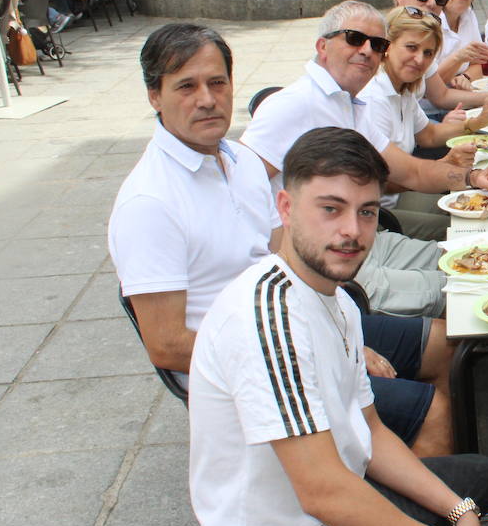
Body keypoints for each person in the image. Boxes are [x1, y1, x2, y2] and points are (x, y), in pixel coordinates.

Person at [188, 126, 488, 526]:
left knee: (478, 477)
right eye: (330, 208)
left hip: (334, 508)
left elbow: (372, 430)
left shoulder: (334, 298)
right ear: (286, 207)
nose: (352, 231)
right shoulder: (268, 319)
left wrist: (459, 511)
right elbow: (324, 493)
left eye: (365, 211)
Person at [109, 24, 459, 454]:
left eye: (217, 82)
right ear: (154, 95)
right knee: (432, 411)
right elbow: (167, 346)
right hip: (255, 368)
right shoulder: (150, 201)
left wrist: (342, 331)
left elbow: (285, 259)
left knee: (445, 343)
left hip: (297, 328)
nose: (206, 99)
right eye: (186, 86)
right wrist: (324, 351)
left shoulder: (239, 161)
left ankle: (427, 479)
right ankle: (419, 509)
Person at [240, 1, 488, 305]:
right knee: (475, 289)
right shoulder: (294, 103)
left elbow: (412, 171)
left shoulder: (351, 105)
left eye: (377, 44)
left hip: (365, 242)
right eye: (354, 39)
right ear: (322, 46)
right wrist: (288, 266)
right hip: (325, 265)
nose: (367, 51)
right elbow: (238, 183)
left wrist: (475, 176)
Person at [362, 7, 488, 236]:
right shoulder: (373, 99)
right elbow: (381, 182)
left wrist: (477, 122)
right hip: (376, 213)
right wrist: (446, 165)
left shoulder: (402, 88)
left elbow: (428, 134)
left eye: (429, 53)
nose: (420, 59)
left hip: (399, 195)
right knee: (470, 229)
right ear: (387, 46)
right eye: (411, 47)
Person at [395, 0, 488, 119]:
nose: (432, 3)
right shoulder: (388, 41)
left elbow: (441, 95)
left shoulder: (425, 38)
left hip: (425, 120)